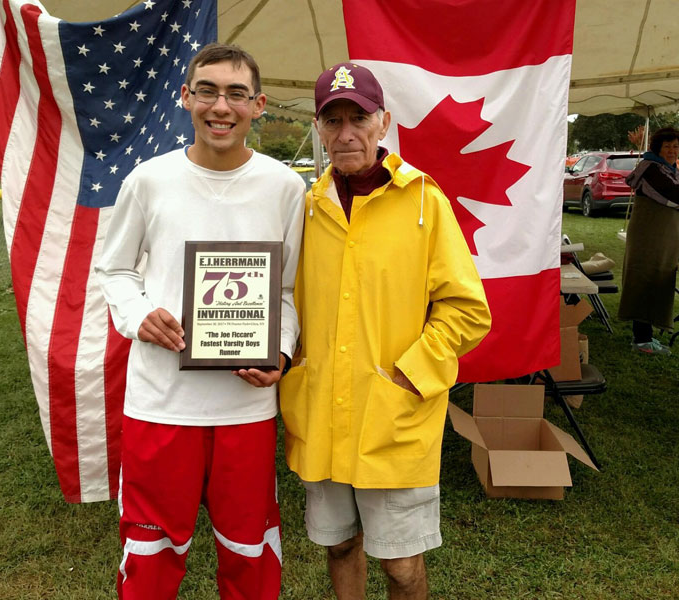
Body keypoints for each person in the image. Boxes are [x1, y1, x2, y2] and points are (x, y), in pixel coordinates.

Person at [95, 43, 305, 600]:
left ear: (259, 105)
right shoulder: (148, 179)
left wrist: (279, 352)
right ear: (186, 97)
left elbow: (286, 291)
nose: (221, 106)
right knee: (151, 553)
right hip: (161, 403)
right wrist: (141, 314)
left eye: (237, 94)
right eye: (207, 90)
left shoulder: (286, 188)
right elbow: (113, 269)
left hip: (246, 408)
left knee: (249, 551)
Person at [279, 63, 492, 600]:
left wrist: (409, 374)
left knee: (401, 567)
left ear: (384, 123)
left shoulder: (425, 202)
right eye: (333, 121)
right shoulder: (305, 208)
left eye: (359, 118)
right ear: (319, 129)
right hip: (322, 415)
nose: (346, 133)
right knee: (339, 547)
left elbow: (467, 309)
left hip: (392, 420)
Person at [618, 126, 679, 355]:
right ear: (658, 148)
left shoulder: (670, 169)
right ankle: (641, 340)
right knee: (644, 282)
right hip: (649, 239)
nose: (672, 150)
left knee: (656, 283)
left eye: (675, 146)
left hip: (662, 241)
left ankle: (645, 336)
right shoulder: (651, 169)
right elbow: (676, 195)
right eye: (667, 146)